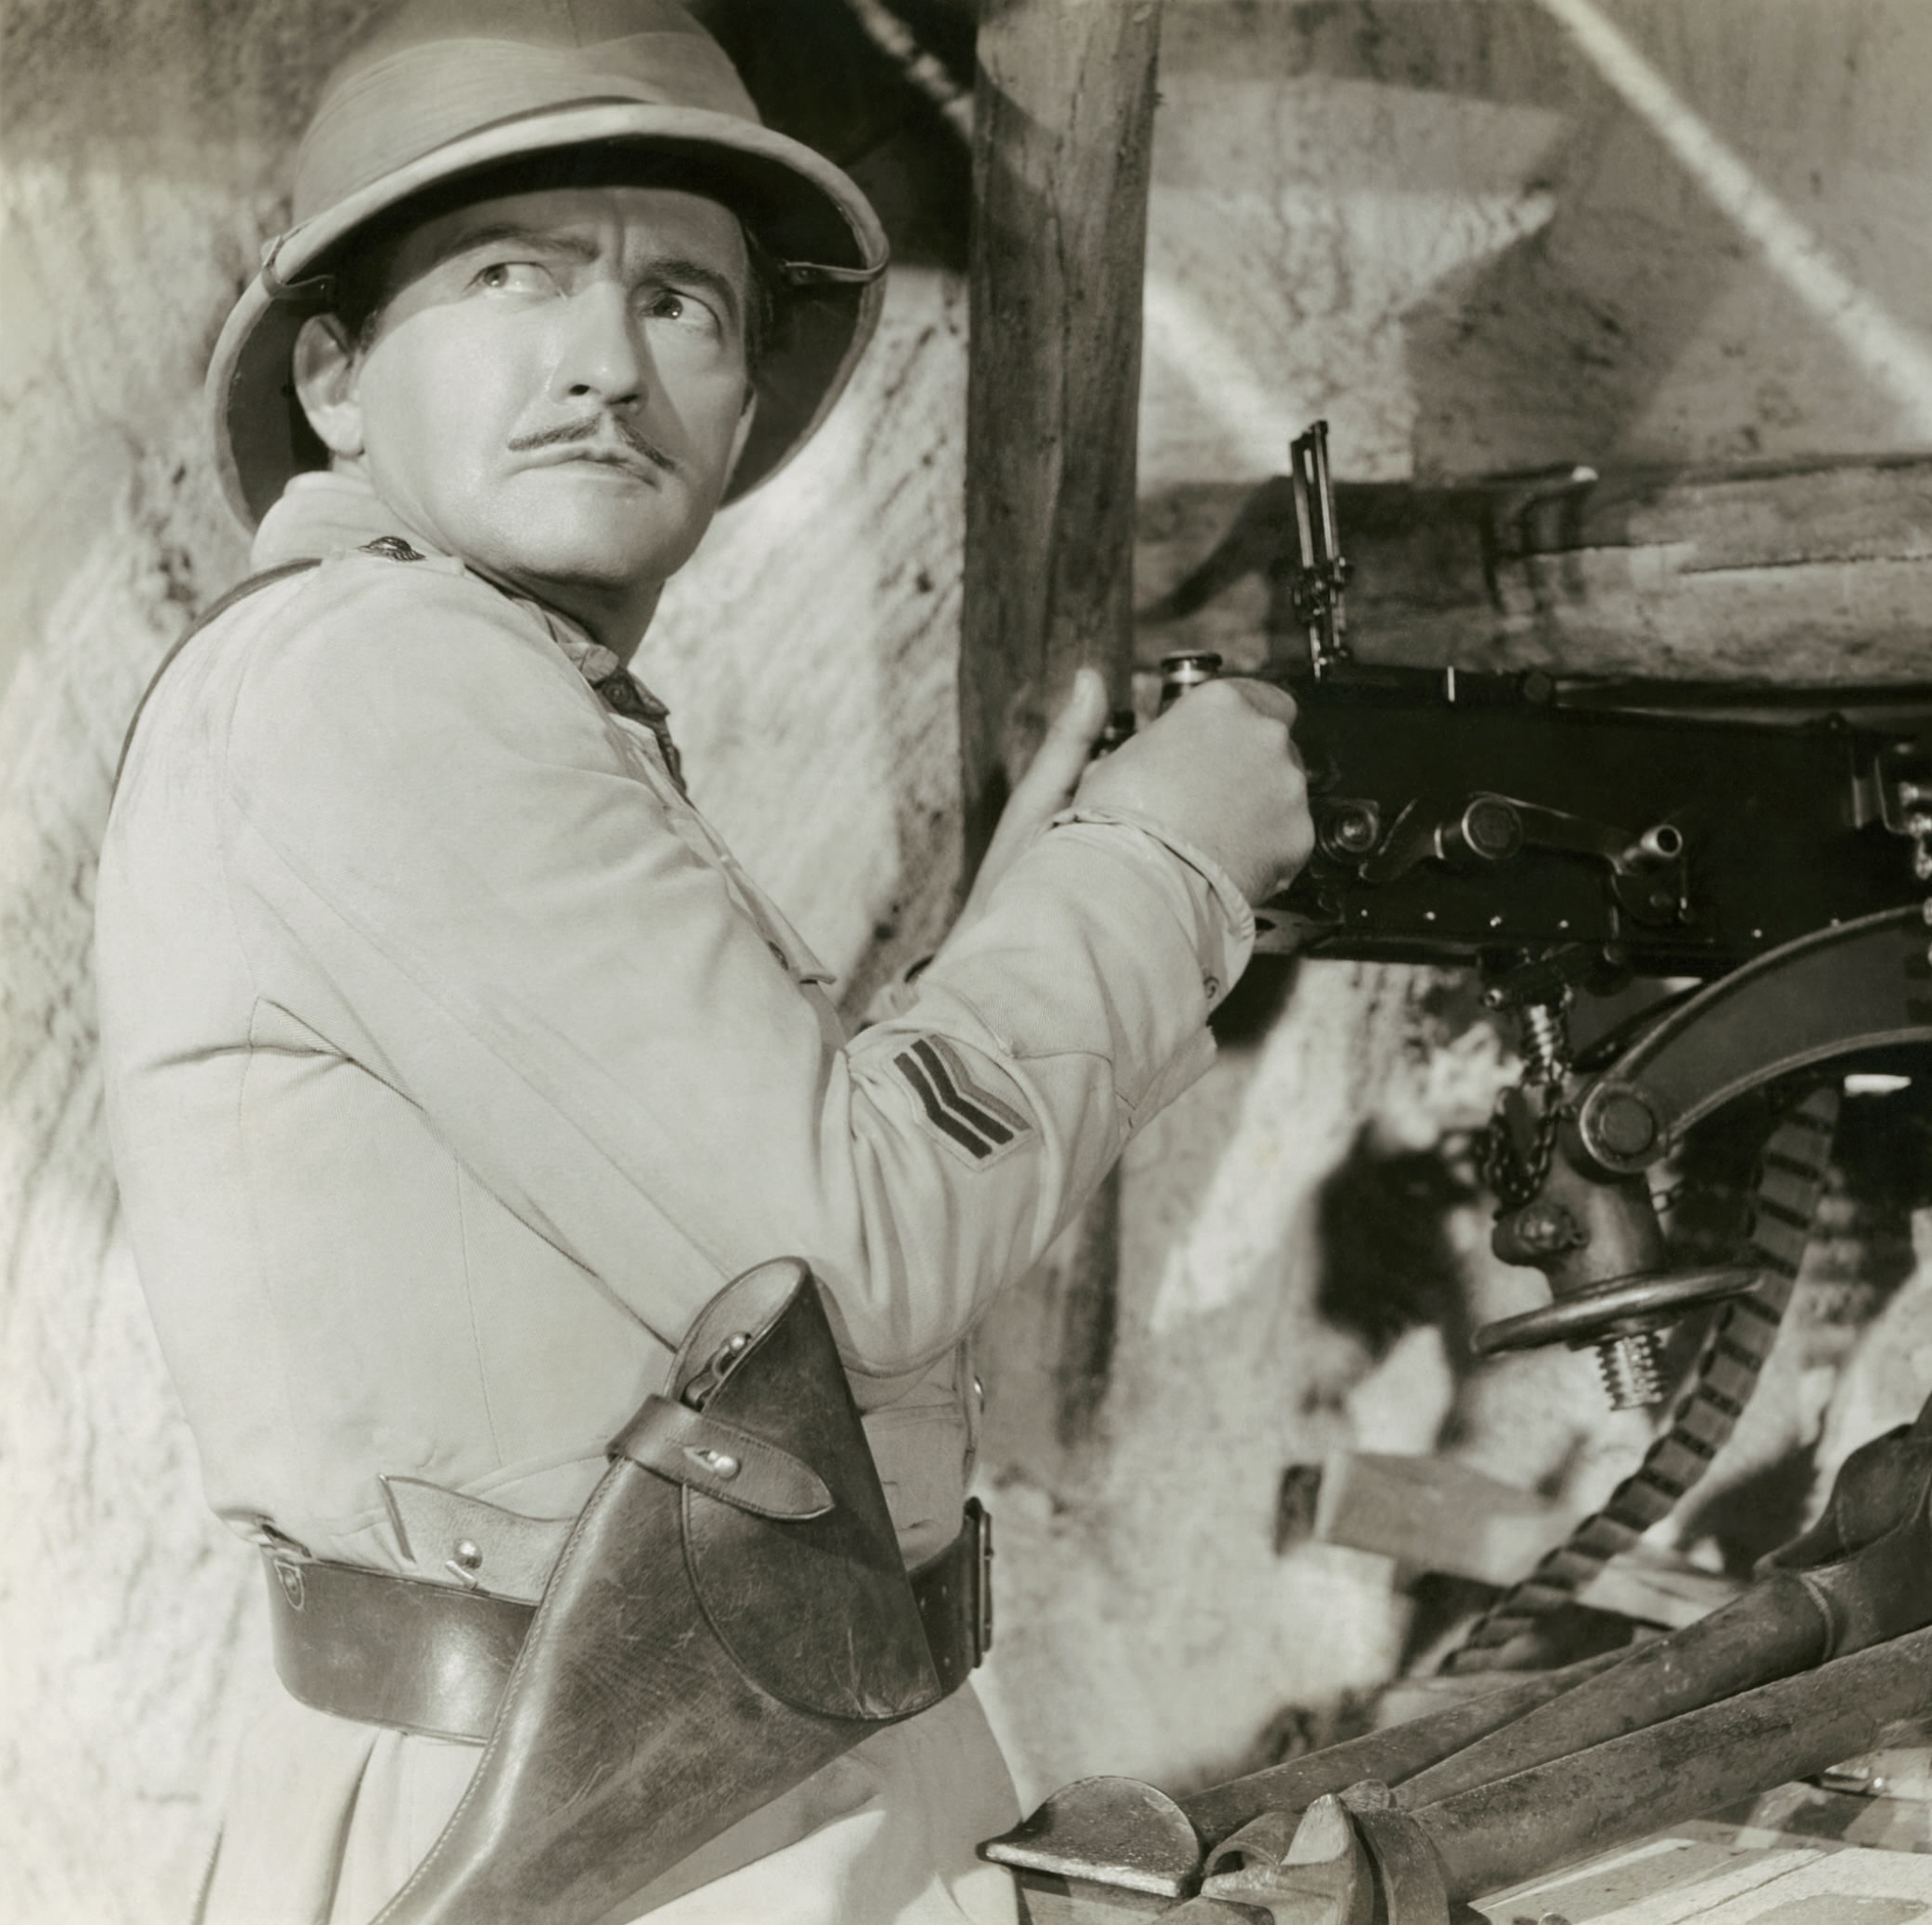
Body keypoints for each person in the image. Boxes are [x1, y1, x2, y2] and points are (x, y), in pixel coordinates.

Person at [91, 2, 1311, 1920]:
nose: (606, 362)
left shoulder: (479, 685)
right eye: (514, 277)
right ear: (334, 380)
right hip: (612, 1823)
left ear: (740, 407)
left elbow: (727, 1261)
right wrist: (1163, 868)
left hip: (707, 1777)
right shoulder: (384, 676)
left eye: (680, 303)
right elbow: (852, 1256)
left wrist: (1027, 920)